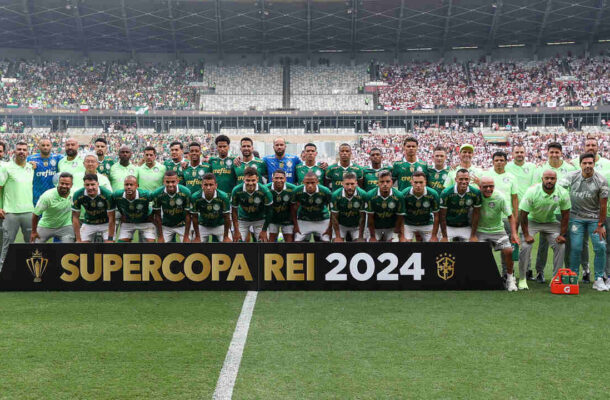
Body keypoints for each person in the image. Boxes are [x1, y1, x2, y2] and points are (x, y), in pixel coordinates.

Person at [559, 153, 608, 290]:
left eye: (590, 163)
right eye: (585, 163)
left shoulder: (601, 180)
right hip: (576, 218)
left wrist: (600, 224)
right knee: (575, 247)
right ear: (580, 164)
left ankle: (598, 278)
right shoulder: (572, 176)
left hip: (594, 219)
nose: (587, 166)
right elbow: (559, 189)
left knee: (600, 247)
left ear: (594, 164)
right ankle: (573, 276)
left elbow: (603, 205)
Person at [533, 142, 579, 282]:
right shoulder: (540, 168)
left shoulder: (571, 168)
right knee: (543, 244)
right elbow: (535, 189)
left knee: (566, 241)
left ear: (561, 153)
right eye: (551, 152)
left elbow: (575, 188)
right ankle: (540, 272)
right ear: (547, 153)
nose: (554, 155)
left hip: (565, 211)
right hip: (547, 212)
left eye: (556, 152)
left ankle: (567, 272)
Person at [518, 170, 570, 290]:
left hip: (550, 222)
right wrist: (526, 234)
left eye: (552, 178)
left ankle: (555, 278)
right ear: (542, 179)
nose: (549, 181)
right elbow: (523, 214)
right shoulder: (532, 191)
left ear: (556, 180)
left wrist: (562, 234)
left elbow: (566, 214)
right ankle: (522, 278)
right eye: (547, 178)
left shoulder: (562, 192)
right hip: (532, 221)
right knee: (526, 246)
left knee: (560, 245)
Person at [477, 176, 519, 292]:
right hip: (480, 231)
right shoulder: (476, 196)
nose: (489, 189)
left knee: (509, 251)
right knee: (478, 253)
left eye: (491, 186)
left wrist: (514, 233)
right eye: (485, 187)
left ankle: (510, 278)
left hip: (497, 231)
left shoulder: (500, 197)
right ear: (480, 187)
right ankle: (480, 278)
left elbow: (510, 216)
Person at [0, 142, 34, 270]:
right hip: (10, 213)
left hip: (29, 212)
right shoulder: (6, 167)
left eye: (24, 149)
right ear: (13, 152)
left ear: (27, 152)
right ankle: (2, 272)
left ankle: (30, 272)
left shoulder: (31, 167)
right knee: (7, 244)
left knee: (31, 244)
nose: (21, 151)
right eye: (19, 149)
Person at [505, 143, 536, 279]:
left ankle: (527, 269)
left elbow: (535, 186)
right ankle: (508, 271)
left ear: (525, 153)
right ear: (512, 154)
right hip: (510, 211)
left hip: (526, 211)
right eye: (516, 152)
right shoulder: (506, 167)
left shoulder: (532, 167)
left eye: (521, 152)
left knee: (526, 241)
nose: (519, 154)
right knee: (510, 241)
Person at [230, 167, 273, 242]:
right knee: (236, 242)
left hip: (260, 219)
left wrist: (264, 230)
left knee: (263, 242)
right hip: (242, 219)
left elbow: (269, 212)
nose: (250, 183)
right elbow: (234, 211)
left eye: (253, 180)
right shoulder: (236, 190)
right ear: (244, 179)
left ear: (257, 179)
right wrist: (236, 230)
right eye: (248, 180)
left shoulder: (265, 191)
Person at [31, 172, 74, 243]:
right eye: (62, 183)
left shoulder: (74, 194)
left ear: (71, 185)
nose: (64, 186)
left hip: (65, 226)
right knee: (34, 247)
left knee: (69, 249)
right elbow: (35, 214)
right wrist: (33, 232)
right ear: (58, 183)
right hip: (45, 226)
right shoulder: (47, 196)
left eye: (67, 184)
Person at [71, 174, 116, 243]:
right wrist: (78, 239)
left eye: (93, 184)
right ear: (84, 185)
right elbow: (75, 217)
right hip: (88, 223)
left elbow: (112, 218)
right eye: (87, 185)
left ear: (98, 184)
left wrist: (110, 238)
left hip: (106, 223)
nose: (90, 187)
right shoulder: (78, 195)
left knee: (109, 245)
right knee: (80, 246)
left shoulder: (107, 194)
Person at [439, 169, 481, 242]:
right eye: (461, 179)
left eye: (466, 179)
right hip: (449, 226)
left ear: (469, 179)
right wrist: (444, 236)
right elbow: (442, 216)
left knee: (473, 244)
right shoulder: (446, 193)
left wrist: (473, 235)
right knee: (443, 244)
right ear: (456, 179)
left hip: (465, 226)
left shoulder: (475, 193)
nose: (464, 182)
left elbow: (476, 214)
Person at [366, 170, 406, 242]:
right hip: (375, 227)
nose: (385, 184)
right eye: (382, 182)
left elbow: (400, 217)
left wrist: (395, 234)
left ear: (391, 182)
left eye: (387, 182)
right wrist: (372, 236)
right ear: (378, 183)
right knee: (371, 243)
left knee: (395, 242)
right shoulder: (370, 195)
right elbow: (370, 218)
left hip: (391, 227)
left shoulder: (399, 196)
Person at [190, 173, 231, 243]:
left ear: (216, 186)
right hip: (203, 225)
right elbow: (194, 217)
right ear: (202, 186)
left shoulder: (224, 197)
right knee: (195, 244)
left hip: (220, 225)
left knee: (228, 244)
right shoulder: (195, 197)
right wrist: (197, 236)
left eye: (211, 185)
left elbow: (227, 217)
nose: (208, 188)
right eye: (206, 185)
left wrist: (226, 236)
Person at [113, 176, 156, 242]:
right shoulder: (117, 195)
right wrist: (122, 214)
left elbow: (157, 199)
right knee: (121, 245)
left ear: (137, 186)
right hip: (128, 222)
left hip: (145, 221)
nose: (129, 187)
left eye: (131, 185)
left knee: (151, 244)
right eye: (126, 184)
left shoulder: (145, 194)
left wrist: (152, 214)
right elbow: (113, 204)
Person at [152, 170, 191, 243]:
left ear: (177, 181)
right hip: (166, 226)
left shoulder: (186, 192)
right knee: (161, 248)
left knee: (188, 246)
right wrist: (160, 236)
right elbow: (157, 215)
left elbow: (188, 215)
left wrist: (186, 236)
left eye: (173, 182)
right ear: (164, 181)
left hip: (182, 225)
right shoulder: (157, 193)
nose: (170, 184)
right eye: (167, 182)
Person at [292, 172, 332, 242]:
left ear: (317, 182)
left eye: (312, 182)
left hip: (322, 219)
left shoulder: (326, 191)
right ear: (303, 182)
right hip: (303, 219)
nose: (310, 185)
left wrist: (329, 227)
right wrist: (296, 225)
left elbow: (332, 210)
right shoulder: (297, 191)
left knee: (326, 241)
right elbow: (293, 209)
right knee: (298, 241)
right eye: (307, 183)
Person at [401, 171, 440, 242]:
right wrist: (402, 235)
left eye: (421, 182)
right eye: (415, 182)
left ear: (425, 182)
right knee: (404, 243)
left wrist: (434, 236)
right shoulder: (404, 194)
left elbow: (437, 215)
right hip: (409, 224)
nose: (418, 185)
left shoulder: (433, 194)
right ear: (411, 182)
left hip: (427, 223)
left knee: (433, 244)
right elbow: (401, 215)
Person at [330, 172, 367, 242]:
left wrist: (360, 236)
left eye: (352, 184)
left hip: (356, 226)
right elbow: (334, 217)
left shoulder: (363, 195)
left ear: (356, 183)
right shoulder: (335, 195)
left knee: (360, 244)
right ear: (342, 184)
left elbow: (363, 217)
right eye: (347, 184)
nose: (350, 187)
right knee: (337, 243)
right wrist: (338, 236)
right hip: (341, 225)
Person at [27, 138, 63, 206]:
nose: (45, 147)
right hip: (37, 197)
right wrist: (28, 165)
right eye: (43, 145)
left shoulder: (58, 158)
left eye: (47, 145)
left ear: (51, 146)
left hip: (54, 196)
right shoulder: (31, 159)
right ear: (39, 146)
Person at [266, 169, 296, 242]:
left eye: (281, 178)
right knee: (271, 239)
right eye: (276, 178)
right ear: (272, 179)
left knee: (289, 240)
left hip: (287, 219)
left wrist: (295, 222)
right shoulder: (266, 188)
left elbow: (295, 207)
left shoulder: (293, 189)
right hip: (272, 219)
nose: (279, 180)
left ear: (285, 179)